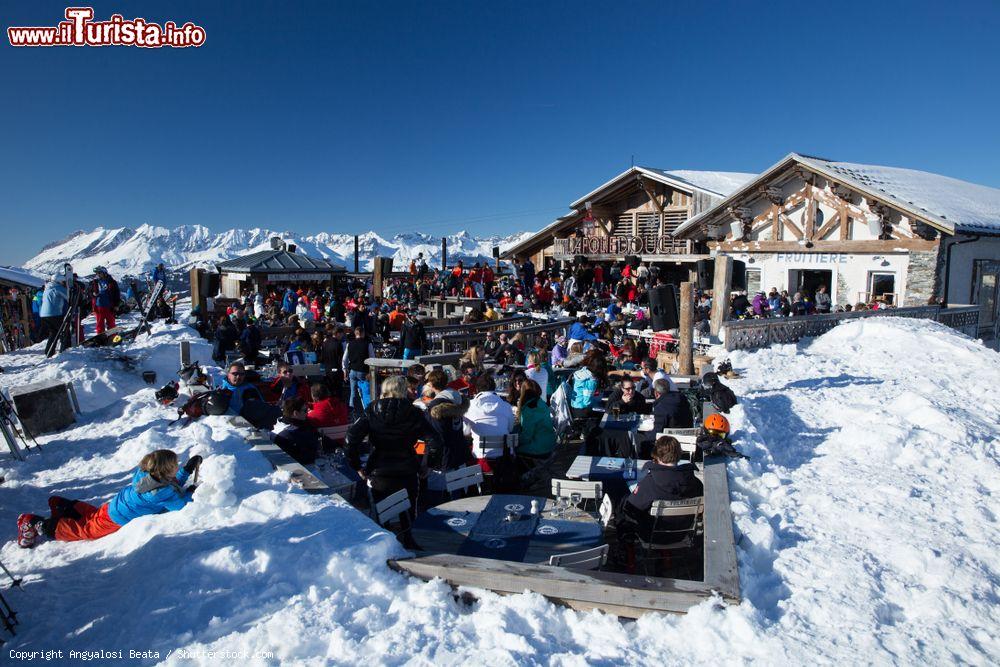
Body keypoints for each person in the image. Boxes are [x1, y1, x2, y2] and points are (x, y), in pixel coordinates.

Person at [17, 450, 200, 547]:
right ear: (165, 472)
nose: (178, 467)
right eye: (175, 465)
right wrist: (192, 491)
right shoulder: (160, 493)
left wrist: (187, 470)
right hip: (114, 518)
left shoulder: (145, 476)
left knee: (92, 518)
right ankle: (36, 524)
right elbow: (181, 503)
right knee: (86, 531)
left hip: (111, 508)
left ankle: (63, 506)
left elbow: (171, 484)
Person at [346, 375, 431, 510]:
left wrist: (356, 466)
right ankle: (406, 529)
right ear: (403, 390)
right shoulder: (414, 412)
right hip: (407, 469)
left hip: (379, 470)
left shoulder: (372, 409)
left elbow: (351, 438)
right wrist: (428, 464)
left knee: (382, 514)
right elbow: (434, 440)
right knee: (408, 515)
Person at [618, 436, 702, 540]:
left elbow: (631, 509)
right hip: (682, 533)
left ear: (657, 455)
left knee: (624, 502)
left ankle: (625, 543)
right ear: (679, 454)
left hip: (653, 536)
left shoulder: (650, 483)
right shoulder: (695, 482)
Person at [463, 374, 516, 473]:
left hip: (482, 460)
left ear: (477, 389)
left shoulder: (470, 406)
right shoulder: (506, 406)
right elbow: (510, 428)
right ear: (494, 388)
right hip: (506, 457)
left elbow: (465, 432)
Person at [423, 370, 472, 471]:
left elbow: (436, 436)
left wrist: (429, 463)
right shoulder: (458, 398)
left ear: (431, 385)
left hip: (444, 460)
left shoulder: (436, 407)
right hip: (459, 455)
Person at [514, 379, 556, 472]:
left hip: (539, 448)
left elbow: (526, 437)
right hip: (550, 444)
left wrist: (514, 441)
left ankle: (523, 478)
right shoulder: (542, 403)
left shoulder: (529, 409)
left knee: (511, 451)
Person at [271, 398, 322, 465]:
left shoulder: (303, 423)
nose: (308, 412)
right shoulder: (283, 435)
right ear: (296, 413)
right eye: (305, 410)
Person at [649, 378, 693, 446]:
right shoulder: (683, 400)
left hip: (668, 446)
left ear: (656, 393)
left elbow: (657, 432)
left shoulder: (661, 407)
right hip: (687, 443)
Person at [342, 326, 375, 412]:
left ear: (355, 334)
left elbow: (344, 359)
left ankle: (352, 409)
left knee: (353, 391)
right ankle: (366, 409)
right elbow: (372, 359)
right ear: (363, 333)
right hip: (363, 371)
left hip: (352, 371)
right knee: (365, 392)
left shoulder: (349, 344)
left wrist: (344, 369)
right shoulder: (368, 344)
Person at [39, 272, 70, 357]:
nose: (63, 283)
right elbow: (68, 296)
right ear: (59, 281)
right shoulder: (57, 287)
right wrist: (68, 288)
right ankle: (67, 351)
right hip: (54, 313)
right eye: (63, 281)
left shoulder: (48, 287)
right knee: (64, 331)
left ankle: (49, 352)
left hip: (44, 314)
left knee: (53, 333)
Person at [90, 266, 121, 334]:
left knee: (111, 323)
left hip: (109, 306)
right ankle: (101, 336)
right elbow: (89, 293)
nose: (98, 275)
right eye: (97, 273)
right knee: (100, 323)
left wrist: (116, 305)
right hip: (99, 306)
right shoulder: (95, 282)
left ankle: (112, 335)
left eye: (99, 273)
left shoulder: (111, 282)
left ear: (104, 273)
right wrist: (93, 294)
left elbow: (116, 294)